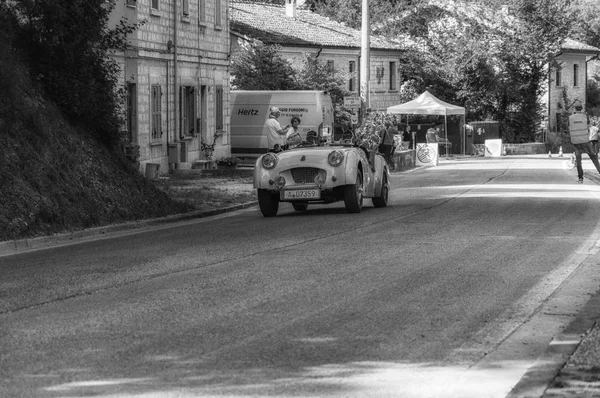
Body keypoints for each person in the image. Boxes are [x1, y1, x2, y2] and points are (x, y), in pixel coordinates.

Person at [568, 104, 600, 183]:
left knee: (578, 160)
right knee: (594, 158)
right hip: (585, 141)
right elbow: (588, 126)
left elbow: (569, 127)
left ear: (574, 109)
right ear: (581, 109)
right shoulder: (585, 116)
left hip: (575, 142)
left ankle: (580, 178)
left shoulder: (570, 118)